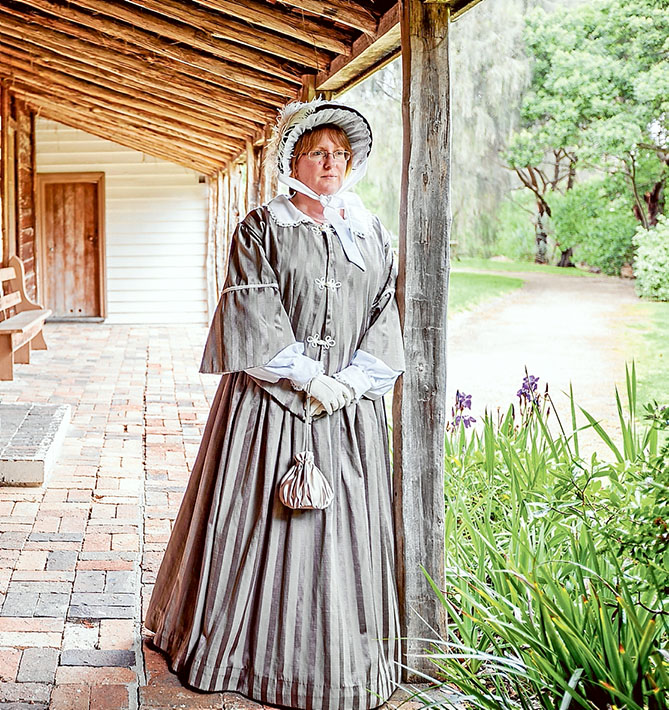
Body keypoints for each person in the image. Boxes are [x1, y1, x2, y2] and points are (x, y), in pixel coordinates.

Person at [145, 99, 405, 710]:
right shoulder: (261, 227)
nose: (331, 163)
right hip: (268, 407)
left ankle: (341, 665)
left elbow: (385, 313)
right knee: (255, 523)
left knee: (340, 539)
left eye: (341, 154)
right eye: (319, 152)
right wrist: (309, 379)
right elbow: (251, 312)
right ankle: (237, 655)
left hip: (349, 411)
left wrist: (354, 380)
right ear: (294, 158)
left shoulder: (371, 235)